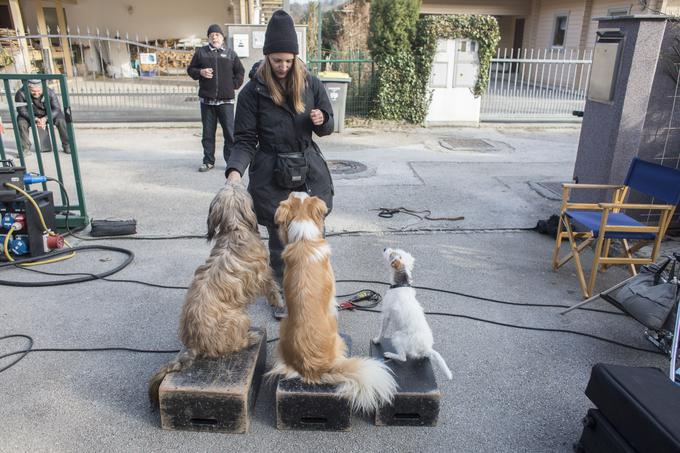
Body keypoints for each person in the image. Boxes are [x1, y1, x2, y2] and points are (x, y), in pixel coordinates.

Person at [225, 10, 334, 319]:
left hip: (307, 167)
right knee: (279, 236)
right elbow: (244, 139)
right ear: (267, 57)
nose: (283, 66)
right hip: (271, 169)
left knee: (312, 231)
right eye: (277, 60)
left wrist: (322, 119)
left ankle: (312, 284)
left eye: (288, 60)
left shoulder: (310, 83)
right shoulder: (251, 93)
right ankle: (281, 293)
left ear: (296, 58)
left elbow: (328, 125)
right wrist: (235, 173)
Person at [188, 24, 245, 172]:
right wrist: (200, 72)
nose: (214, 37)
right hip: (207, 102)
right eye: (211, 35)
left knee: (230, 134)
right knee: (208, 133)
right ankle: (208, 161)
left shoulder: (231, 54)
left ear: (222, 37)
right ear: (208, 38)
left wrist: (234, 85)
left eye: (217, 34)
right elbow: (190, 70)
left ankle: (231, 163)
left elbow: (240, 71)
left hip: (226, 102)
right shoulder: (201, 53)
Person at [15, 79, 71, 155]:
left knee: (61, 120)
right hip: (30, 115)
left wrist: (45, 118)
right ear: (28, 88)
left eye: (38, 91)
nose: (36, 93)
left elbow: (56, 108)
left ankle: (67, 145)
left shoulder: (50, 92)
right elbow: (21, 110)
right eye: (33, 91)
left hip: (48, 114)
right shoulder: (20, 93)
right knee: (21, 123)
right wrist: (36, 119)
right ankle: (25, 148)